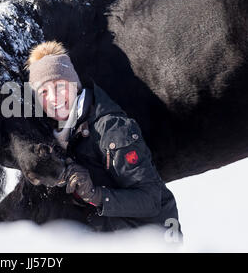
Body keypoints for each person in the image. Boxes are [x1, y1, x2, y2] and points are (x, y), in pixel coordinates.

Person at [26, 40, 182, 238]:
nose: (53, 99)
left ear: (74, 85)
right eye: (44, 92)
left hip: (152, 239)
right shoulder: (58, 135)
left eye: (59, 86)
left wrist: (95, 194)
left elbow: (151, 200)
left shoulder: (111, 129)